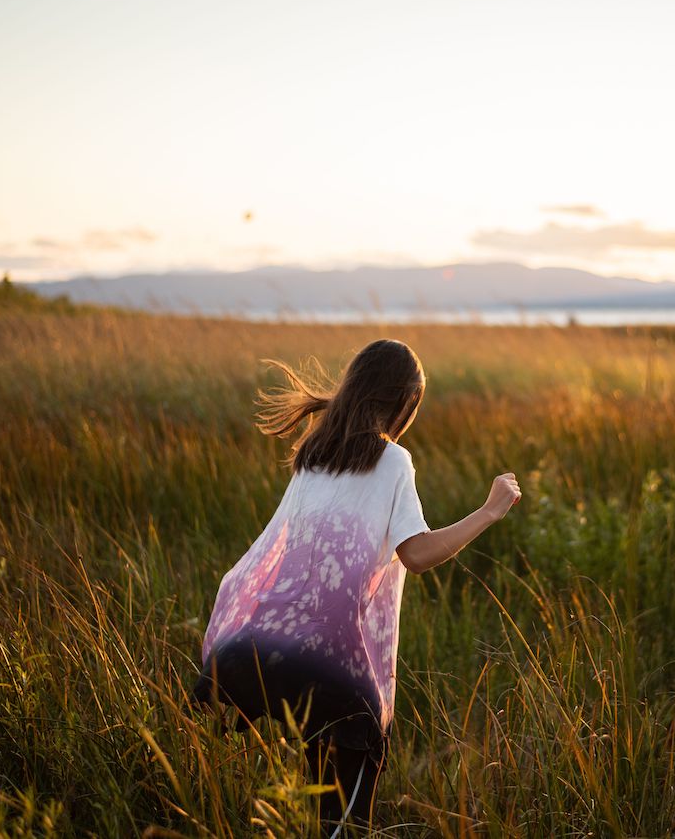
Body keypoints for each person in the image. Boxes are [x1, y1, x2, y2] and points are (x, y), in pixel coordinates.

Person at [191, 338, 521, 836]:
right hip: (335, 674)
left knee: (204, 793)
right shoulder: (394, 461)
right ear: (404, 403)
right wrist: (490, 510)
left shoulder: (313, 455)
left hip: (250, 654)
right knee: (342, 823)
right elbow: (418, 554)